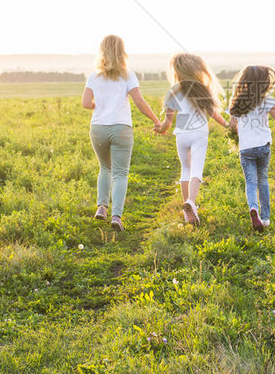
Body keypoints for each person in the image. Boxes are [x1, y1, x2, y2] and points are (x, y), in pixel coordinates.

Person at [81, 35, 161, 232]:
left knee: (104, 168)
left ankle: (101, 207)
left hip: (98, 128)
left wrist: (99, 106)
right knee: (120, 173)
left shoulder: (93, 77)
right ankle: (116, 216)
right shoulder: (128, 75)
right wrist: (156, 120)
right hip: (121, 128)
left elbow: (85, 103)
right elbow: (139, 101)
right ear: (122, 52)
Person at [156, 53, 231, 226]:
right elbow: (214, 114)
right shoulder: (201, 89)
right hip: (199, 134)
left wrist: (160, 128)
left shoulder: (173, 91)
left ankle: (187, 209)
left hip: (181, 135)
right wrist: (228, 126)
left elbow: (167, 121)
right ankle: (190, 202)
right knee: (196, 170)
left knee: (185, 169)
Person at [228, 65, 275, 232]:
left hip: (246, 148)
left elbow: (233, 125)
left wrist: (237, 135)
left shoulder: (237, 101)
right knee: (263, 180)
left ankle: (253, 208)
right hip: (263, 146)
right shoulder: (267, 100)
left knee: (250, 182)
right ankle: (266, 217)